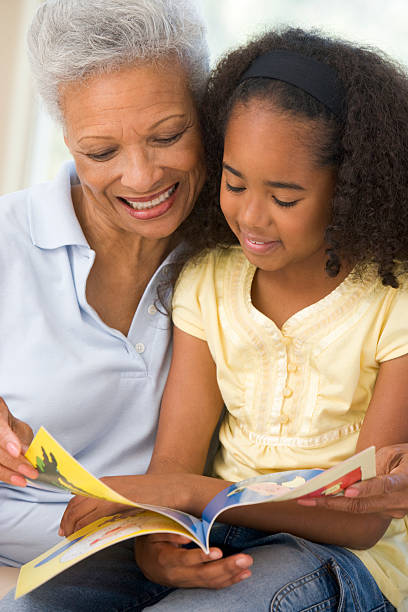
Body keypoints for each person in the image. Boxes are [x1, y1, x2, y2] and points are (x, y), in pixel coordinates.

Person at [61, 27, 408, 611]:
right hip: (213, 530)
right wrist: (156, 540)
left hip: (340, 561)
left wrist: (190, 494)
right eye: (234, 181)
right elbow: (174, 460)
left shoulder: (392, 303)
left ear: (348, 191)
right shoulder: (210, 282)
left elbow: (362, 520)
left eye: (285, 198)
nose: (250, 216)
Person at [0, 0, 256, 608]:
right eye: (100, 152)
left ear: (208, 117)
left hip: (146, 556)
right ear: (66, 139)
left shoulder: (242, 250)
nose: (141, 178)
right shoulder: (9, 242)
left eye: (167, 136)